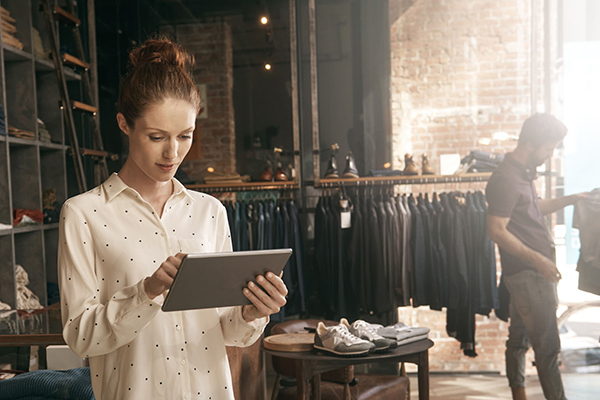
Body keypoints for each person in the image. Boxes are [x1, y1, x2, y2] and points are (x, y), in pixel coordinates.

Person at [58, 36, 288, 400]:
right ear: (124, 124)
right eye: (156, 136)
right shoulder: (84, 214)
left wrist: (252, 310)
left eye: (185, 136)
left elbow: (227, 329)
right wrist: (147, 291)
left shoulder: (210, 211)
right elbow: (81, 335)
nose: (173, 152)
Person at [486, 113, 588, 400]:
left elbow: (534, 209)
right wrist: (540, 261)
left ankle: (519, 396)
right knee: (548, 349)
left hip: (527, 274)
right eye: (548, 148)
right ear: (530, 144)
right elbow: (496, 230)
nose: (550, 154)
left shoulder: (521, 174)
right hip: (529, 275)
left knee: (518, 341)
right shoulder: (506, 179)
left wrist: (571, 199)